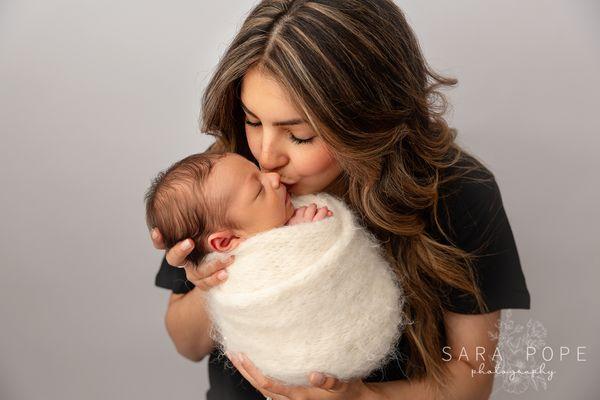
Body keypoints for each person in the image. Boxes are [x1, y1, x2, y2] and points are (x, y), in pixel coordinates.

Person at [150, 1, 531, 399]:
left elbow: (472, 379)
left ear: (367, 120)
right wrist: (210, 279)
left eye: (299, 135)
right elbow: (188, 345)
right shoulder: (228, 178)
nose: (266, 156)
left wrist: (363, 398)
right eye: (251, 120)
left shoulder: (459, 192)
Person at [144, 151, 332, 266]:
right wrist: (300, 236)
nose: (273, 177)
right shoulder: (241, 272)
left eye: (259, 171)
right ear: (226, 242)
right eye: (259, 190)